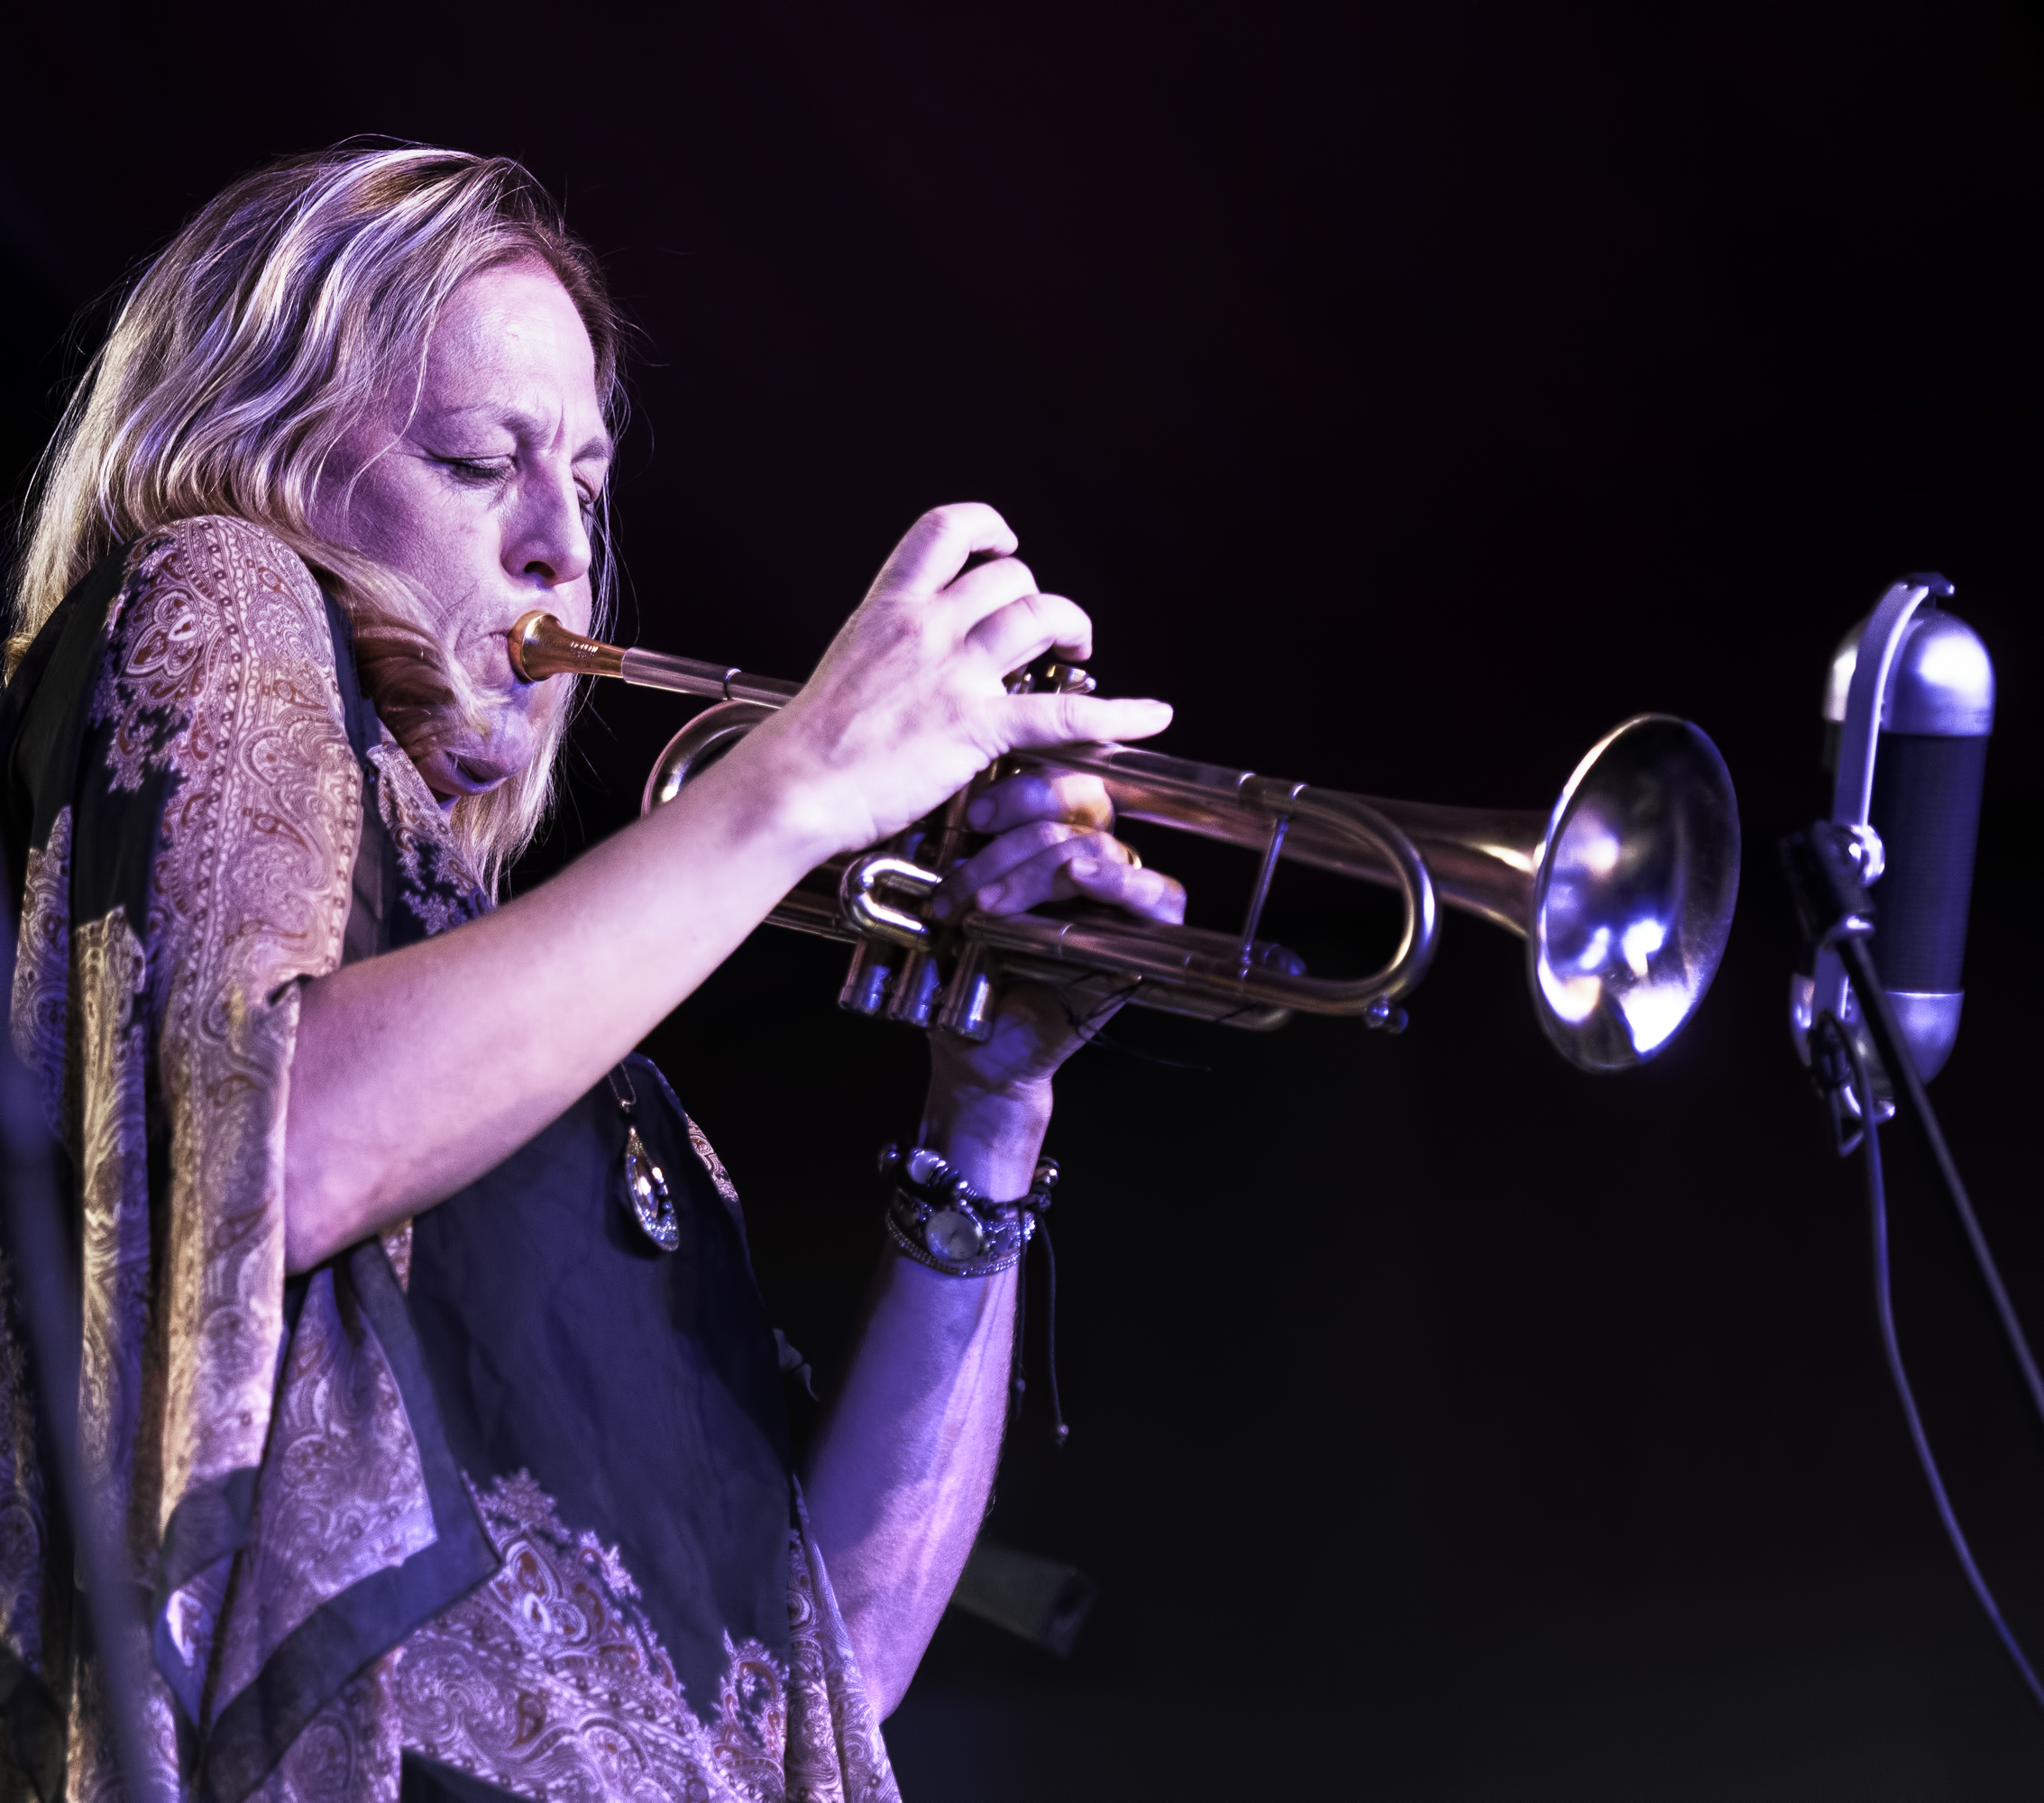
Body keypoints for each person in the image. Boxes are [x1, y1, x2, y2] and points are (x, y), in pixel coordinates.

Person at [0, 145, 1182, 1803]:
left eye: (592, 481)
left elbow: (832, 1662)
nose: (563, 540)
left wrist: (993, 1108)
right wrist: (808, 779)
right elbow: (276, 1154)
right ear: (255, 450)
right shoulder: (218, 573)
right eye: (483, 460)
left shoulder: (612, 1098)